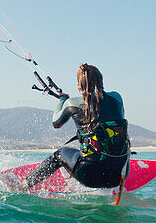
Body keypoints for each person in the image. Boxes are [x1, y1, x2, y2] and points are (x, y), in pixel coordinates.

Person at [24, 64, 130, 199]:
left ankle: (23, 185)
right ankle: (105, 178)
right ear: (101, 80)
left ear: (79, 86)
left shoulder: (72, 103)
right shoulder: (117, 98)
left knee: (60, 154)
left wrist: (62, 100)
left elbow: (56, 123)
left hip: (89, 175)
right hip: (119, 173)